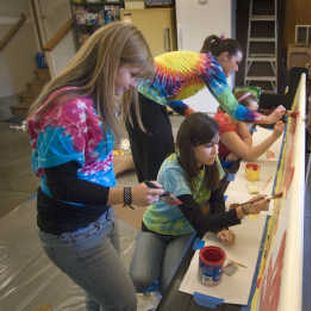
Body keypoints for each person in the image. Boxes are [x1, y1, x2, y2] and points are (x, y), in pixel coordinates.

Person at [26, 22, 165, 311]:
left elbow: (90, 164)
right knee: (122, 301)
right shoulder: (69, 108)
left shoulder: (99, 99)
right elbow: (63, 185)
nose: (132, 85)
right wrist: (127, 195)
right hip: (71, 229)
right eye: (132, 75)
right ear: (111, 62)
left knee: (99, 296)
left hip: (97, 217)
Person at [130, 113, 269, 294]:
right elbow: (200, 222)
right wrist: (242, 211)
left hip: (184, 230)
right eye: (209, 145)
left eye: (217, 143)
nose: (216, 150)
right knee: (141, 279)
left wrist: (222, 227)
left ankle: (160, 273)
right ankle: (153, 265)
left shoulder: (210, 160)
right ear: (190, 147)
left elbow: (216, 197)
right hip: (157, 228)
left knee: (169, 285)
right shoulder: (174, 171)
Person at [126, 34, 286, 182]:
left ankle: (153, 200)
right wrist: (267, 119)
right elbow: (234, 109)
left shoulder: (201, 62)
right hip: (144, 102)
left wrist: (189, 113)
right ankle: (161, 203)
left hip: (135, 98)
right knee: (159, 158)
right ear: (225, 57)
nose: (236, 68)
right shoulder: (210, 66)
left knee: (145, 156)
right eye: (236, 62)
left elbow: (165, 93)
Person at [215, 86, 285, 182]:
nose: (254, 117)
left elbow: (247, 137)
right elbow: (250, 156)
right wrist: (274, 136)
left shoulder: (236, 117)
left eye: (255, 112)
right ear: (240, 110)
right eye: (251, 113)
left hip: (230, 161)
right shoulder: (223, 123)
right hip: (217, 167)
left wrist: (239, 152)